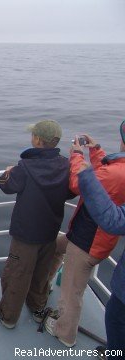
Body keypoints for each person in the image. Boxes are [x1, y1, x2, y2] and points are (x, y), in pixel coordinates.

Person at [45, 124, 125, 348]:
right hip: (92, 237)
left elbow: (78, 183)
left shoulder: (116, 172)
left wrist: (77, 155)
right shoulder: (119, 169)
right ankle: (45, 284)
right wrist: (96, 150)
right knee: (54, 248)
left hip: (87, 242)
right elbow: (104, 175)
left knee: (71, 295)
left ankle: (64, 333)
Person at [0, 120, 72, 329]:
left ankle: (8, 316)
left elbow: (7, 186)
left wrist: (8, 172)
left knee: (17, 273)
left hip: (26, 233)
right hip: (50, 230)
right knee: (41, 273)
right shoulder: (65, 165)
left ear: (37, 140)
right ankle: (37, 309)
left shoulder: (25, 166)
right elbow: (71, 190)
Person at [77, 165, 125, 360]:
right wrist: (96, 152)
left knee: (115, 319)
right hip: (102, 247)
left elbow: (113, 220)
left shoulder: (116, 171)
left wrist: (83, 170)